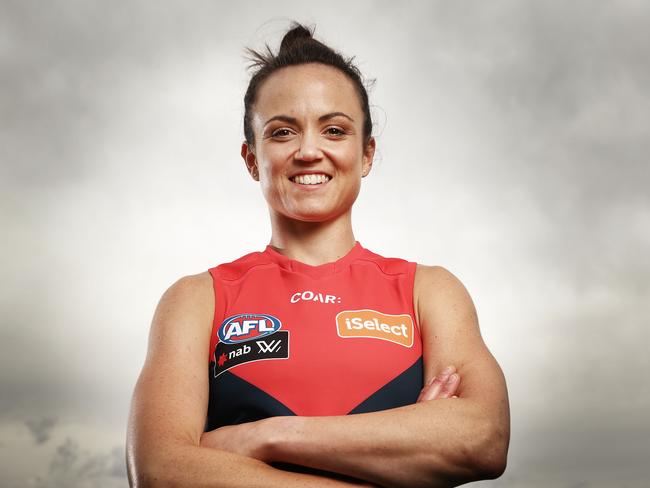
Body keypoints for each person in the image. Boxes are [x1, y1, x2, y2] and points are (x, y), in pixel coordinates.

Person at [126, 21, 510, 488]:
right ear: (252, 159)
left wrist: (269, 436)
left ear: (366, 153)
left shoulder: (428, 291)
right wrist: (403, 450)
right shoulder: (196, 300)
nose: (310, 151)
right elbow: (162, 472)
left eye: (334, 130)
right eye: (283, 132)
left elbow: (483, 439)